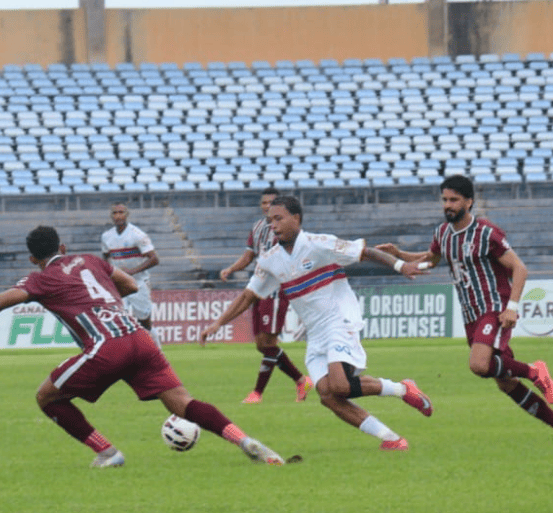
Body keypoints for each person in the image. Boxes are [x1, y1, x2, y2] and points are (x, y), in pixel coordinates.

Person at [0, 226, 288, 467]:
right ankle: (246, 441)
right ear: (62, 244)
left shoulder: (40, 278)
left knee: (47, 397)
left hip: (106, 346)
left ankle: (107, 453)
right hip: (138, 338)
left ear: (33, 258)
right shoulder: (92, 260)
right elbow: (130, 286)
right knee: (182, 402)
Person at [200, 196, 434, 451]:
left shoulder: (319, 244)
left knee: (340, 386)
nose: (273, 225)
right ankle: (391, 439)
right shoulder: (270, 260)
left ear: (296, 219)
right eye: (270, 221)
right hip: (316, 333)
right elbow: (249, 295)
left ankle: (402, 389)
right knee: (328, 396)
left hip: (339, 319)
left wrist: (401, 266)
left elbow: (364, 251)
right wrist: (217, 324)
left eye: (278, 218)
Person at [377, 174, 553, 430]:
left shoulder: (486, 233)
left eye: (454, 200)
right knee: (504, 381)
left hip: (493, 307)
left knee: (479, 365)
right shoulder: (442, 233)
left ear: (469, 202)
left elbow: (519, 268)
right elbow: (432, 260)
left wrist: (512, 307)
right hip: (471, 313)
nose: (448, 205)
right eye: (445, 200)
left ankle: (535, 371)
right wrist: (399, 256)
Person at [219, 187, 312, 404]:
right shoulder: (259, 227)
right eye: (264, 203)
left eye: (271, 203)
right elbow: (249, 255)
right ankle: (300, 380)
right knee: (262, 344)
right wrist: (232, 269)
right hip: (259, 286)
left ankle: (257, 393)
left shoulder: (286, 228)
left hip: (277, 288)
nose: (266, 206)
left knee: (268, 341)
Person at [101, 202, 162, 347]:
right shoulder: (106, 236)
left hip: (139, 283)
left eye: (121, 212)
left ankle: (158, 351)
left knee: (144, 322)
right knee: (117, 320)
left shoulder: (137, 234)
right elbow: (106, 257)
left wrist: (132, 272)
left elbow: (154, 259)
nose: (118, 216)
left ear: (126, 215)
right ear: (111, 216)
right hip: (119, 284)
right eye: (115, 213)